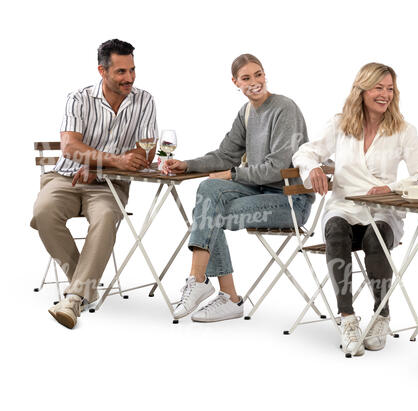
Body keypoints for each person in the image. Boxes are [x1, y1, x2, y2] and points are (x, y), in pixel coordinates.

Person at [293, 63, 418, 356]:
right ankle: (347, 319)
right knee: (334, 229)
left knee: (375, 235)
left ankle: (381, 315)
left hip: (383, 212)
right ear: (362, 89)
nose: (385, 95)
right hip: (344, 207)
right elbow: (304, 152)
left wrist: (392, 188)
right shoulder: (340, 123)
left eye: (390, 89)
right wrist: (314, 168)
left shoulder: (404, 131)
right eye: (378, 88)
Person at [163, 54, 313, 323]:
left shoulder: (284, 109)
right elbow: (224, 155)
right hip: (258, 191)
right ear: (236, 83)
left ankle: (217, 291)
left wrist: (233, 174)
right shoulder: (245, 113)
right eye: (246, 78)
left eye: (258, 74)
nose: (254, 82)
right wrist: (187, 164)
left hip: (290, 201)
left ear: (265, 75)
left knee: (209, 215)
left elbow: (277, 167)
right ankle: (207, 285)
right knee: (209, 190)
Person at [31, 39, 157, 329]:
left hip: (108, 185)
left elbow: (146, 152)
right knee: (44, 213)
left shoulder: (145, 100)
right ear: (102, 70)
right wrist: (107, 160)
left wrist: (100, 168)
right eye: (121, 72)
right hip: (66, 177)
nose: (129, 78)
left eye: (133, 70)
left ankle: (74, 299)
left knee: (105, 217)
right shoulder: (78, 98)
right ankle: (86, 284)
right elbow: (70, 147)